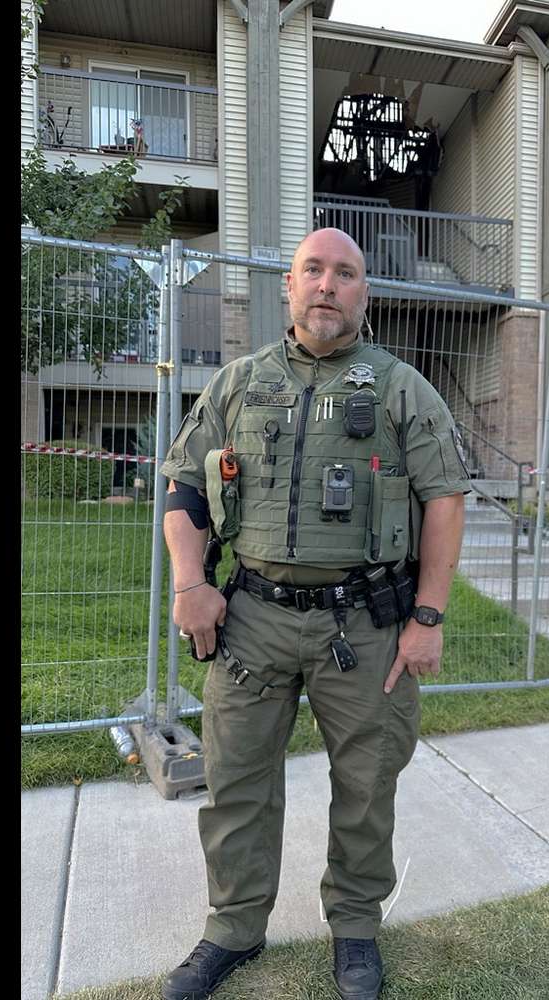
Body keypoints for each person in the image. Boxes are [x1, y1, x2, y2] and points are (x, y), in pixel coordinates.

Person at [157, 227, 469, 1000]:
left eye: (346, 274)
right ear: (288, 288)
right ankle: (232, 929)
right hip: (252, 619)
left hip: (363, 626)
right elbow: (184, 489)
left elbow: (445, 499)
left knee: (367, 782)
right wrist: (189, 583)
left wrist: (427, 617)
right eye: (313, 271)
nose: (327, 285)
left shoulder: (401, 388)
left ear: (365, 293)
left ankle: (356, 930)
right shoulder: (237, 384)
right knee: (236, 781)